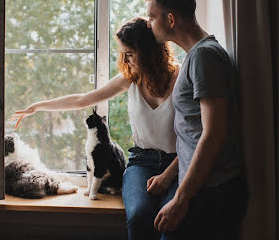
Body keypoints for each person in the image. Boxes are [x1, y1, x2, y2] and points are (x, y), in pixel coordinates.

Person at [9, 17, 180, 240]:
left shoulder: (182, 76)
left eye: (130, 53)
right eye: (123, 54)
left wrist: (168, 175)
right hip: (142, 163)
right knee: (139, 215)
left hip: (178, 163)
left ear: (148, 51)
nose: (125, 60)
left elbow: (196, 136)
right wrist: (38, 107)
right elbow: (82, 99)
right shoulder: (130, 79)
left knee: (171, 222)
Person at [145, 0, 248, 240]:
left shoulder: (204, 57)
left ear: (170, 19)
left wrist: (181, 200)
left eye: (152, 16)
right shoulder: (196, 56)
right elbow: (195, 131)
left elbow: (213, 134)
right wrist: (169, 176)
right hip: (201, 189)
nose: (149, 23)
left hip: (212, 194)